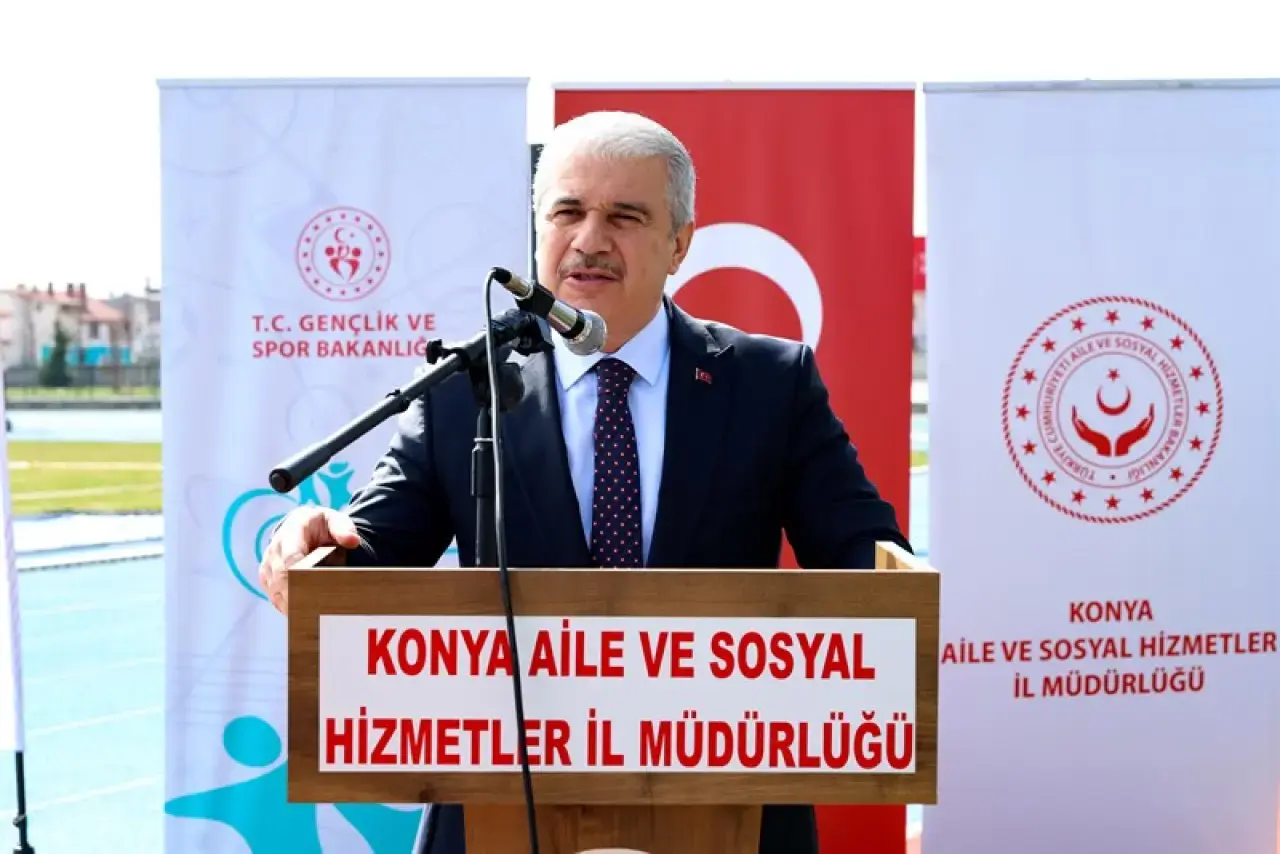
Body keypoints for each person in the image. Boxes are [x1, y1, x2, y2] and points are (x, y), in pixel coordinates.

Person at [259, 110, 913, 854]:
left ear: (679, 244)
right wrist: (314, 545)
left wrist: (895, 581)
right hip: (507, 803)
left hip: (722, 799)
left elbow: (860, 550)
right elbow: (375, 550)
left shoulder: (768, 381)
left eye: (625, 217)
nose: (590, 240)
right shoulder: (462, 388)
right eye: (567, 212)